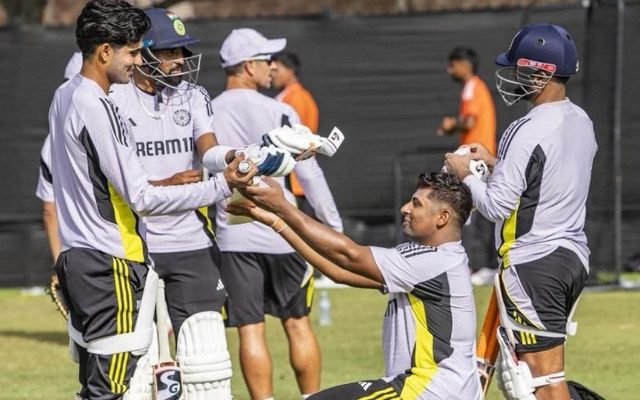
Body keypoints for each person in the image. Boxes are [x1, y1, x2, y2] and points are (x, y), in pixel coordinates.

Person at [48, 1, 259, 399]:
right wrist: (221, 187)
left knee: (108, 382)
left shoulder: (64, 94)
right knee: (120, 387)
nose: (135, 59)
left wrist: (229, 159)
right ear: (106, 51)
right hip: (111, 258)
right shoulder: (100, 104)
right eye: (132, 50)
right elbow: (141, 196)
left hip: (85, 255)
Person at [227, 172, 481, 400]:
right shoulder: (436, 258)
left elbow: (347, 254)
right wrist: (275, 221)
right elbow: (338, 271)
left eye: (416, 204)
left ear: (442, 218)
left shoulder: (433, 260)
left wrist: (282, 206)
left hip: (428, 390)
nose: (405, 208)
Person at [445, 23, 596, 400]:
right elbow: (545, 179)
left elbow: (496, 206)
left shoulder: (526, 128)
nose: (514, 76)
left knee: (538, 381)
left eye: (520, 69)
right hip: (569, 257)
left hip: (533, 261)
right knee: (527, 375)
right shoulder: (581, 121)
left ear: (541, 72)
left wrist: (467, 175)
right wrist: (497, 164)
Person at [212, 28, 343, 400]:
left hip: (233, 233)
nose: (273, 66)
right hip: (283, 232)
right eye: (266, 59)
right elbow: (309, 173)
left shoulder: (208, 111)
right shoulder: (279, 109)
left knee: (249, 329)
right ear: (247, 66)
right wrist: (333, 227)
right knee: (298, 322)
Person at [438, 46, 498, 285]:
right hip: (479, 159)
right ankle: (484, 266)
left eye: (452, 64)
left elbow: (469, 120)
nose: (449, 70)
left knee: (466, 213)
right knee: (480, 213)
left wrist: (452, 124)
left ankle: (476, 266)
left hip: (474, 159)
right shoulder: (476, 86)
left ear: (464, 64)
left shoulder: (472, 86)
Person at [271, 51, 319, 216]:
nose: (272, 74)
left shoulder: (296, 98)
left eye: (276, 70)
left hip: (294, 180)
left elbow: (291, 138)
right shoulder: (291, 96)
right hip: (294, 178)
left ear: (290, 71)